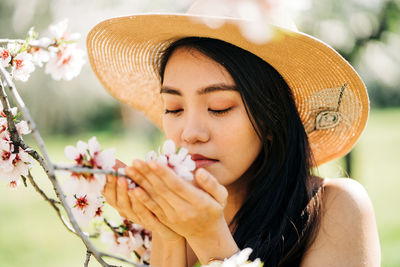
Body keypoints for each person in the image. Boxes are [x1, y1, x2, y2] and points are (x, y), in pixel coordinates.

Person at [87, 1, 381, 266]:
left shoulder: (334, 209)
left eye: (219, 107)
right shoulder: (164, 218)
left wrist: (209, 237)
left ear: (270, 119)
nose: (190, 134)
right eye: (175, 108)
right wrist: (167, 232)